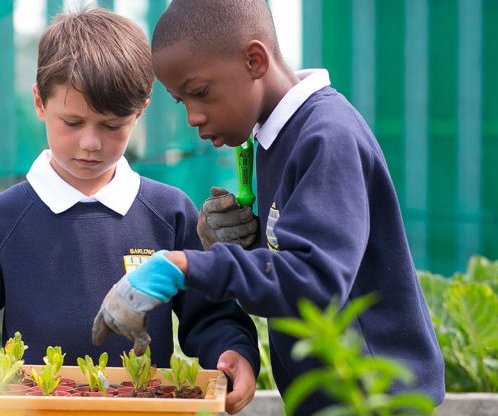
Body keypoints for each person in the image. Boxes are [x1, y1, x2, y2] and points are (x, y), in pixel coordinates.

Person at [0, 8, 259, 415]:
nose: (90, 143)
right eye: (73, 121)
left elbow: (211, 316)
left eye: (111, 125)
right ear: (39, 102)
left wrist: (233, 351)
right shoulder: (3, 220)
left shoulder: (167, 212)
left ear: (141, 111)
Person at [91, 0, 445, 413]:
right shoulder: (276, 135)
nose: (191, 117)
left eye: (200, 93)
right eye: (180, 101)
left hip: (375, 399)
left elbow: (315, 283)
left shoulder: (326, 137)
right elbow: (296, 264)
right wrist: (249, 242)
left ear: (254, 60)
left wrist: (184, 266)